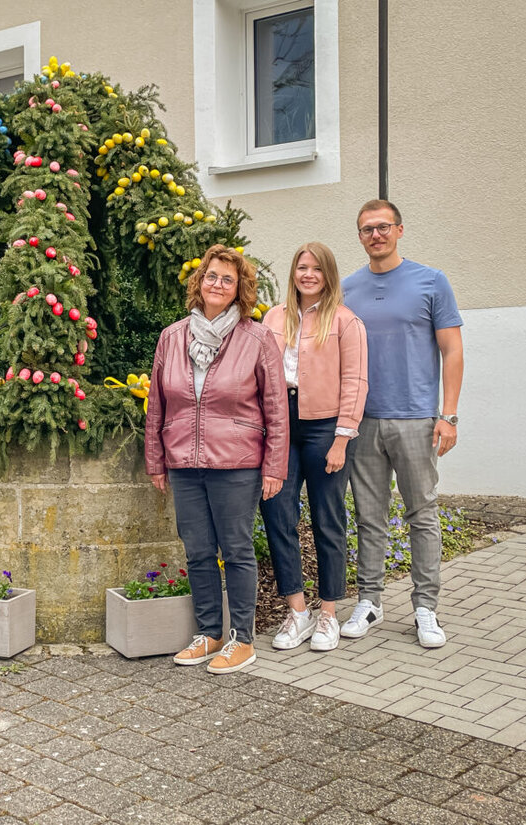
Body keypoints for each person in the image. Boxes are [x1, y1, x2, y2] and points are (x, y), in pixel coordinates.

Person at [145, 244, 288, 674]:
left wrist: (274, 465)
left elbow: (276, 408)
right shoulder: (172, 337)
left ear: (239, 288)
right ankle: (209, 634)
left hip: (238, 463)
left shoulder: (257, 337)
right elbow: (157, 404)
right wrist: (156, 460)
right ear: (199, 282)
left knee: (238, 550)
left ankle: (243, 639)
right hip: (184, 462)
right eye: (212, 276)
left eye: (228, 279)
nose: (218, 284)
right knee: (199, 551)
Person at [342, 200, 463, 648]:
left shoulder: (431, 281)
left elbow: (452, 350)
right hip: (362, 422)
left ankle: (425, 608)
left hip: (416, 418)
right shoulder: (347, 288)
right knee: (369, 518)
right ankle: (369, 601)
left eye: (383, 227)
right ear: (360, 237)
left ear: (399, 230)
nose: (376, 235)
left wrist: (447, 415)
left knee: (422, 515)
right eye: (367, 229)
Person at [260, 242, 368, 652]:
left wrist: (342, 439)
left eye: (316, 269)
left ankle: (327, 615)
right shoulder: (275, 318)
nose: (308, 274)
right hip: (281, 424)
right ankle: (298, 612)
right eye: (302, 267)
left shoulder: (345, 321)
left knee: (328, 520)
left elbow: (356, 383)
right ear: (294, 273)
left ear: (328, 276)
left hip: (326, 427)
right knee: (277, 513)